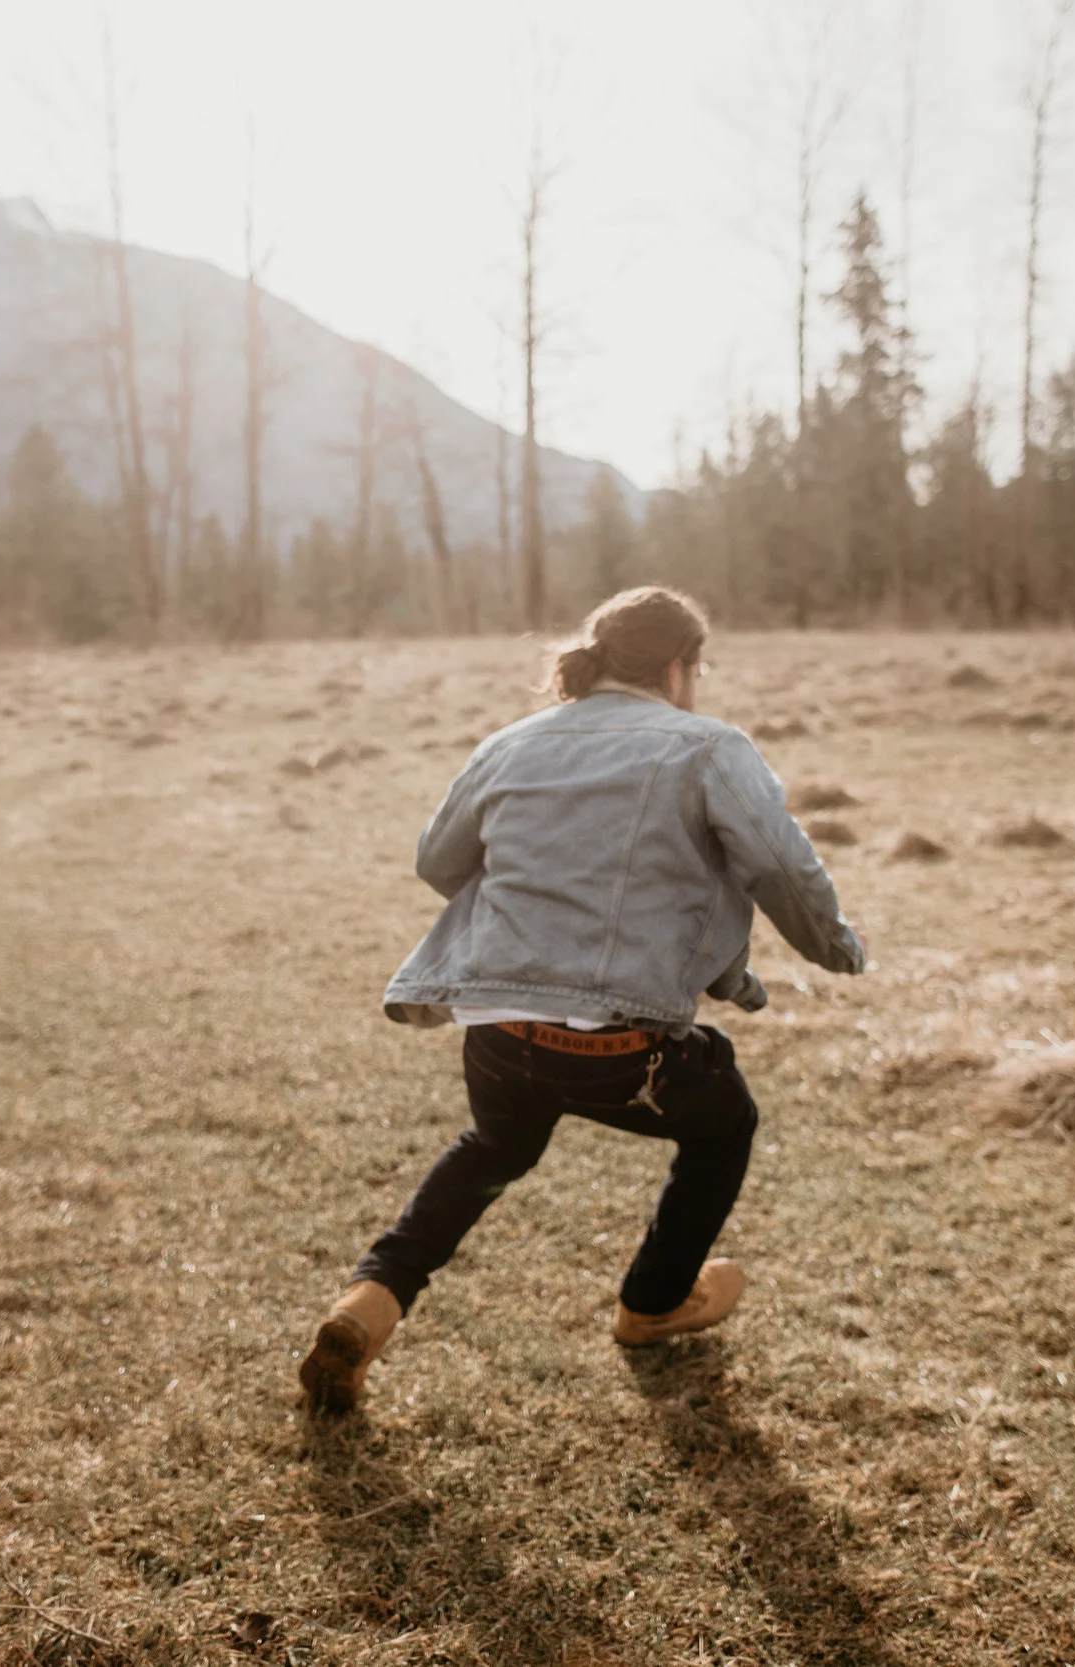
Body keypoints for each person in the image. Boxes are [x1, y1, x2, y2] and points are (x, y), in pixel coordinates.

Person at [299, 585, 865, 1414]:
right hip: (622, 1049)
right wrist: (836, 946)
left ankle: (368, 1302)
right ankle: (652, 1303)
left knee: (495, 1146)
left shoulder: (510, 742)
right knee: (723, 1120)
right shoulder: (710, 748)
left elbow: (438, 860)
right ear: (676, 669)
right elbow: (782, 867)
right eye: (698, 669)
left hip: (498, 1031)